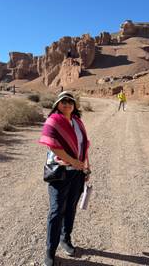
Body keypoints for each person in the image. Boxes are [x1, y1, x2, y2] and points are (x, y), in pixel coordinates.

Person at [39, 91, 90, 266]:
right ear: (57, 104)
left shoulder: (77, 122)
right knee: (56, 210)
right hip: (60, 172)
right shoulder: (53, 120)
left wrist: (85, 166)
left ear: (74, 105)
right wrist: (74, 161)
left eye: (70, 101)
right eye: (63, 101)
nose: (67, 104)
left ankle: (65, 239)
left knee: (71, 208)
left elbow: (84, 145)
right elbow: (53, 147)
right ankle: (50, 251)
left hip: (77, 172)